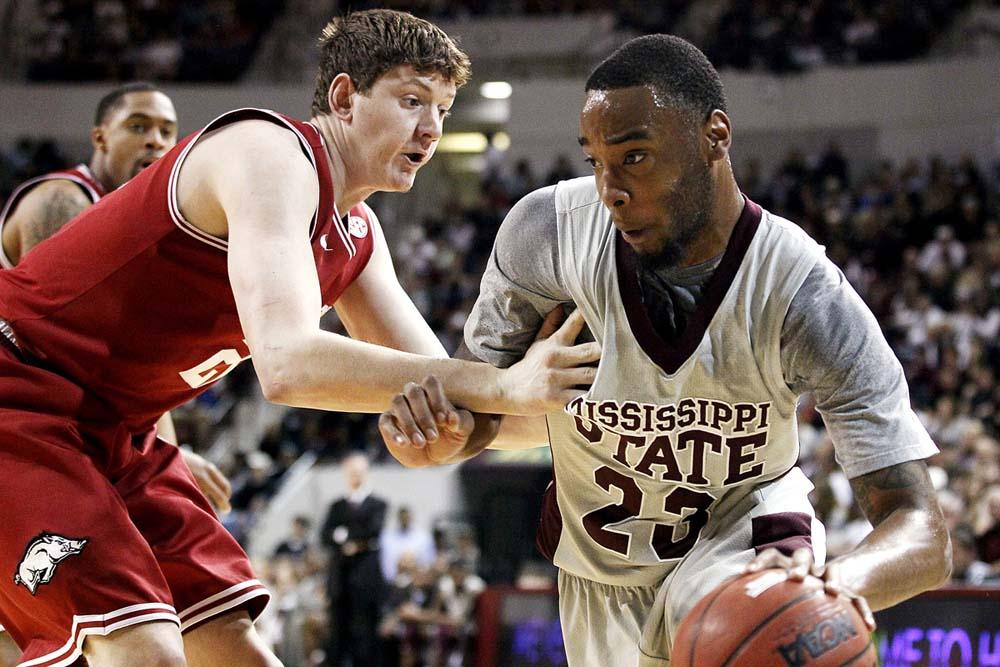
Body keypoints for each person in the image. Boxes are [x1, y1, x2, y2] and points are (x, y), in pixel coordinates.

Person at [0, 9, 597, 667]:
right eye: (412, 100)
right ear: (344, 97)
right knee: (144, 651)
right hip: (21, 392)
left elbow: (453, 395)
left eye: (443, 109)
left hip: (117, 427)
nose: (432, 127)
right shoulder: (268, 153)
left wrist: (574, 412)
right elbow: (287, 364)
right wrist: (501, 385)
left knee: (234, 646)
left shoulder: (358, 234)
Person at [377, 34, 951, 666]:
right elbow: (478, 406)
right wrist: (442, 438)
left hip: (747, 556)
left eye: (635, 157)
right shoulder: (549, 234)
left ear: (715, 137)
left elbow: (921, 529)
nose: (610, 189)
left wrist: (829, 588)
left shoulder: (802, 294)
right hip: (601, 576)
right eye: (596, 161)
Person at [0, 82, 230, 667]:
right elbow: (73, 354)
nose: (155, 140)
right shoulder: (63, 200)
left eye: (167, 131)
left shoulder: (141, 228)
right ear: (100, 138)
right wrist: (168, 453)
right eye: (138, 126)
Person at [320, 452, 389, 666]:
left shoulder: (377, 503)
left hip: (366, 580)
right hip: (340, 579)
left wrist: (343, 535)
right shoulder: (337, 505)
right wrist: (350, 539)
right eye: (351, 472)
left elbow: (372, 531)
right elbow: (324, 535)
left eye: (359, 471)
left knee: (365, 634)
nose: (355, 475)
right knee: (338, 634)